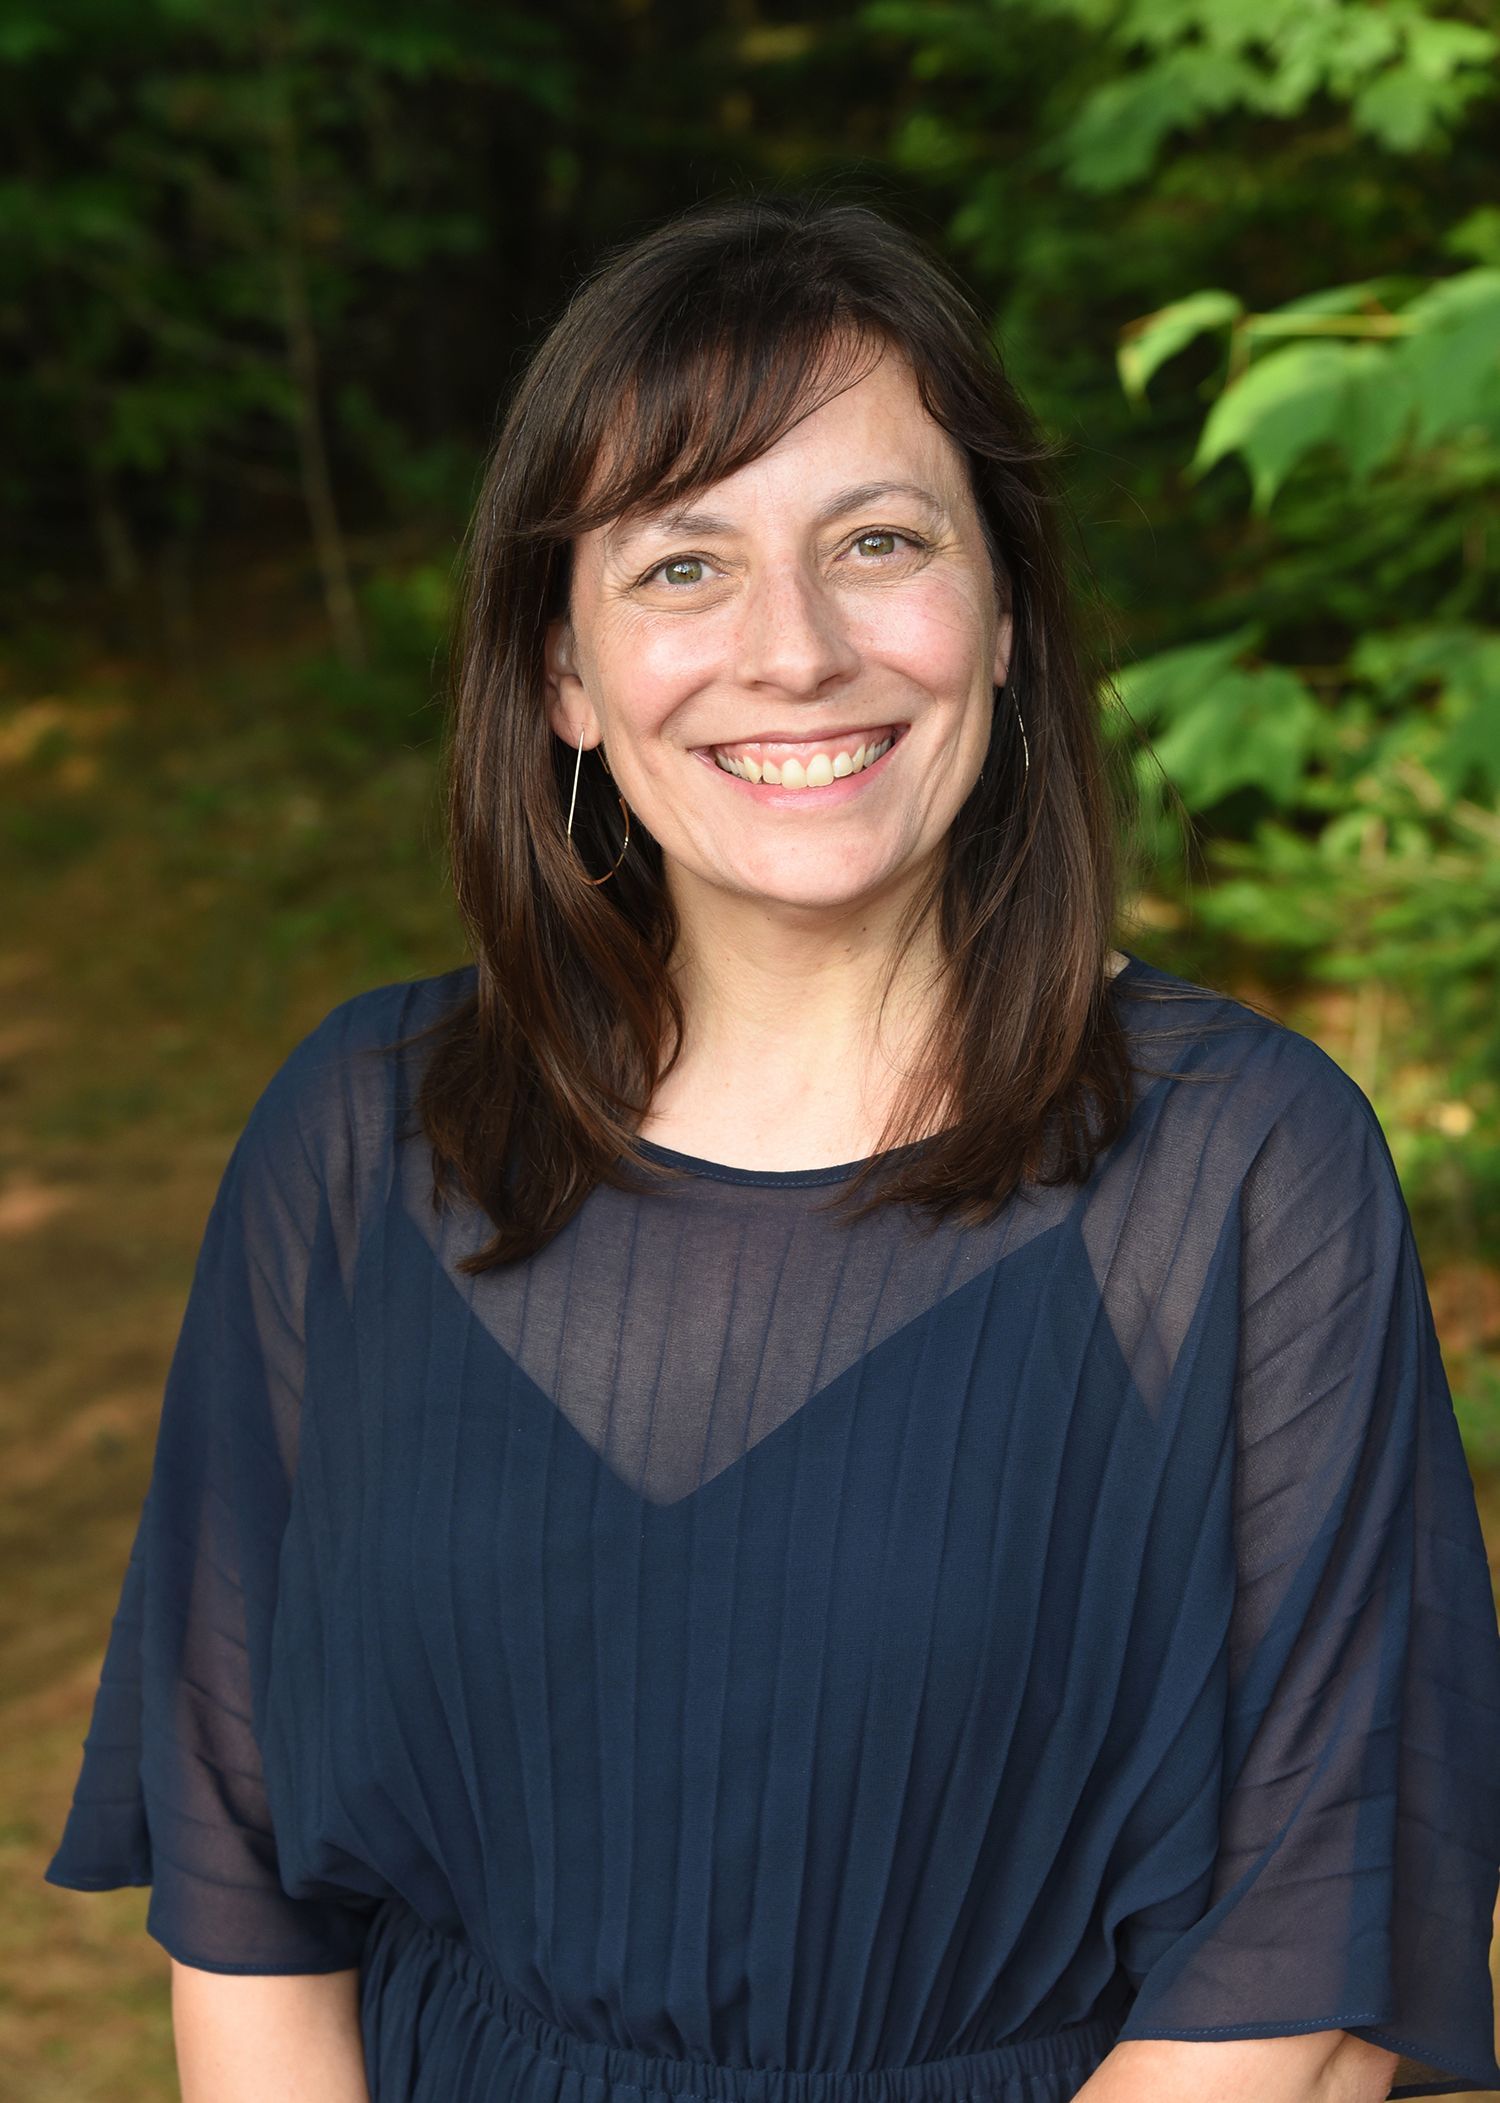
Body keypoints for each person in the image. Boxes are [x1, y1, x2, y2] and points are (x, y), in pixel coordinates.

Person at [44, 190, 1500, 2103]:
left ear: (1002, 619)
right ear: (562, 674)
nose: (792, 651)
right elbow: (244, 1890)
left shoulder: (1240, 1173)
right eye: (681, 568)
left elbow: (1297, 1974)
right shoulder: (360, 1133)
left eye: (878, 543)